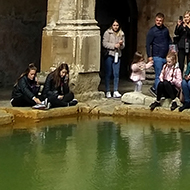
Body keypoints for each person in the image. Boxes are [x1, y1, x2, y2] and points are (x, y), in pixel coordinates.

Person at [146, 12, 172, 96]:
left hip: (165, 56)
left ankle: (155, 88)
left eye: (160, 20)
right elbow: (148, 44)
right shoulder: (152, 31)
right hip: (156, 56)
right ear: (155, 20)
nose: (158, 22)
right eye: (157, 20)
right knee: (158, 74)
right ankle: (158, 93)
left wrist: (172, 50)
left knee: (164, 75)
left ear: (163, 21)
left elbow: (169, 41)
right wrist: (149, 56)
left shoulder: (165, 30)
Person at [102, 19, 125, 98]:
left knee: (116, 73)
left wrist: (121, 45)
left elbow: (123, 46)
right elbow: (104, 43)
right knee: (108, 73)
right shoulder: (107, 33)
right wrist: (113, 46)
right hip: (109, 54)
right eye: (114, 25)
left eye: (117, 25)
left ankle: (115, 90)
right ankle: (108, 90)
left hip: (117, 55)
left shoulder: (121, 33)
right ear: (111, 25)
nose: (115, 27)